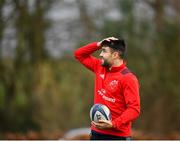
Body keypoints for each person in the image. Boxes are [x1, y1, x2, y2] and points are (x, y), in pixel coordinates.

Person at [74, 37, 140, 140]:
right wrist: (98, 45)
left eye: (104, 51)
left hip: (117, 136)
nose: (100, 54)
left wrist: (113, 124)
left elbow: (134, 109)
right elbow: (78, 54)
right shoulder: (99, 67)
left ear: (115, 55)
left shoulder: (128, 78)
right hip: (96, 133)